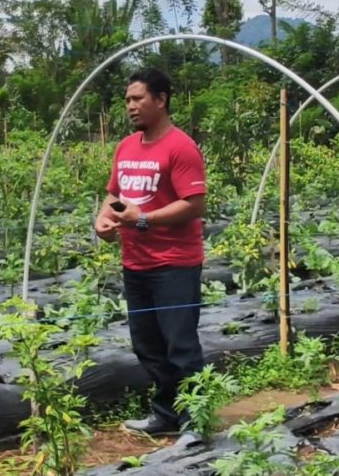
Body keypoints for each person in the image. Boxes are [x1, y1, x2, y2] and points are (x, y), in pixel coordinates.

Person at [94, 68, 207, 440]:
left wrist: (143, 219)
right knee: (148, 346)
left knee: (181, 345)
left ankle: (195, 421)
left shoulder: (180, 147)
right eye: (127, 99)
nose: (130, 106)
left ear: (161, 99)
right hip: (136, 264)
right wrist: (104, 221)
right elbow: (113, 197)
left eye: (137, 98)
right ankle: (165, 414)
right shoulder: (126, 147)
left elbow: (194, 204)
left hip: (174, 263)